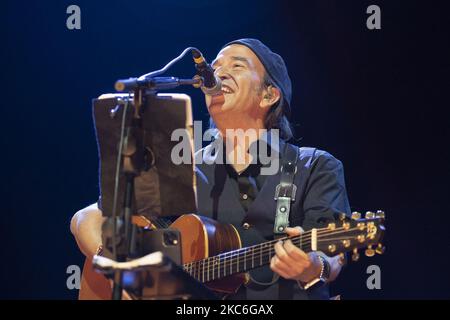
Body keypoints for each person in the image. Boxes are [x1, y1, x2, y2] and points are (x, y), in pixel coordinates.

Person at [71, 38, 351, 300]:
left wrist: (315, 267)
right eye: (215, 67)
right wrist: (115, 268)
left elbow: (333, 255)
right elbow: (87, 218)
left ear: (269, 95)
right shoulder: (184, 167)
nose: (219, 73)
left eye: (237, 66)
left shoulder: (314, 165)